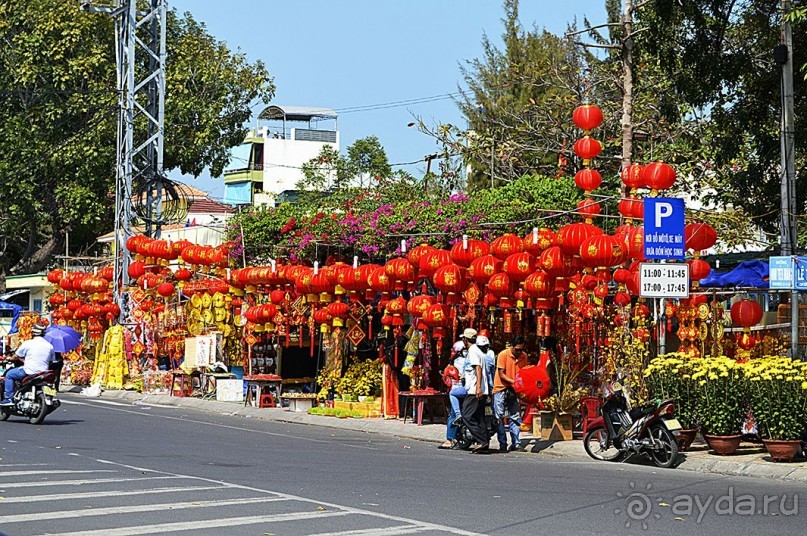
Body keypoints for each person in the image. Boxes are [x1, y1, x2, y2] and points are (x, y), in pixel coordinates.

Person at [1, 323, 55, 406]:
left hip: (29, 371)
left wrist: (10, 359)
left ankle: (8, 398)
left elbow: (16, 356)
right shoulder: (50, 346)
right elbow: (51, 361)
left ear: (33, 332)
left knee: (9, 375)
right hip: (44, 372)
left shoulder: (28, 343)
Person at [493, 335, 529, 451]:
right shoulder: (503, 355)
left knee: (515, 416)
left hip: (514, 389)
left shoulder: (524, 356)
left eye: (521, 349)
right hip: (501, 388)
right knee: (499, 416)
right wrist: (514, 382)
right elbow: (501, 374)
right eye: (517, 349)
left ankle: (516, 442)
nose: (519, 352)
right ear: (512, 347)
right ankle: (502, 443)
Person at [439, 331, 473, 449]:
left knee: (454, 415)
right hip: (469, 389)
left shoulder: (458, 361)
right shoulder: (469, 358)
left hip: (459, 390)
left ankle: (449, 439)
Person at [461, 332, 491, 453]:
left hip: (475, 390)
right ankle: (484, 443)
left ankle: (482, 440)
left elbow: (478, 369)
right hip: (481, 390)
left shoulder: (473, 351)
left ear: (465, 339)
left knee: (466, 415)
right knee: (479, 417)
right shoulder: (479, 351)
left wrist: (478, 387)